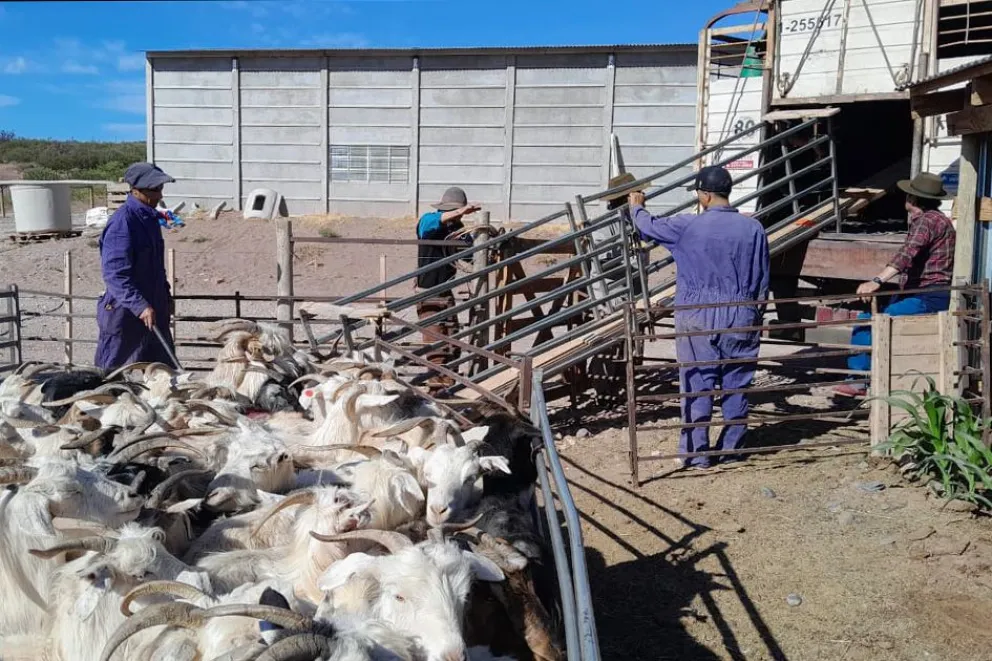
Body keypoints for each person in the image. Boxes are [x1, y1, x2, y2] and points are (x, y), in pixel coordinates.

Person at [629, 165, 770, 469]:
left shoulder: (687, 226)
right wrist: (753, 313)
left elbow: (648, 227)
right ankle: (732, 450)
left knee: (697, 383)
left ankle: (697, 453)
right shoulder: (754, 229)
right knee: (737, 384)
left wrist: (636, 206)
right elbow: (762, 278)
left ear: (704, 195)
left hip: (698, 314)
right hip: (742, 312)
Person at [834, 172, 956, 397]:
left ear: (913, 199)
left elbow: (907, 254)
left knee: (872, 322)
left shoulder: (927, 221)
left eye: (908, 195)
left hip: (927, 295)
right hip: (925, 292)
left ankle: (860, 380)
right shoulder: (938, 220)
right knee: (870, 318)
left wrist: (877, 280)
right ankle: (867, 377)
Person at [94, 162, 177, 371]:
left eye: (160, 188)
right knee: (111, 374)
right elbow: (115, 274)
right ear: (136, 190)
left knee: (165, 372)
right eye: (154, 189)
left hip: (154, 310)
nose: (159, 195)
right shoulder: (123, 222)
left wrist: (165, 296)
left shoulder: (150, 219)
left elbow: (156, 267)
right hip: (126, 312)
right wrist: (140, 306)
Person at [415, 186, 479, 387]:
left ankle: (448, 386)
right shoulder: (428, 221)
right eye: (454, 211)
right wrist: (461, 211)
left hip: (445, 291)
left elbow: (470, 256)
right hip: (428, 292)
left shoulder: (458, 230)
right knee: (436, 347)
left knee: (452, 342)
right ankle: (437, 389)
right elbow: (434, 221)